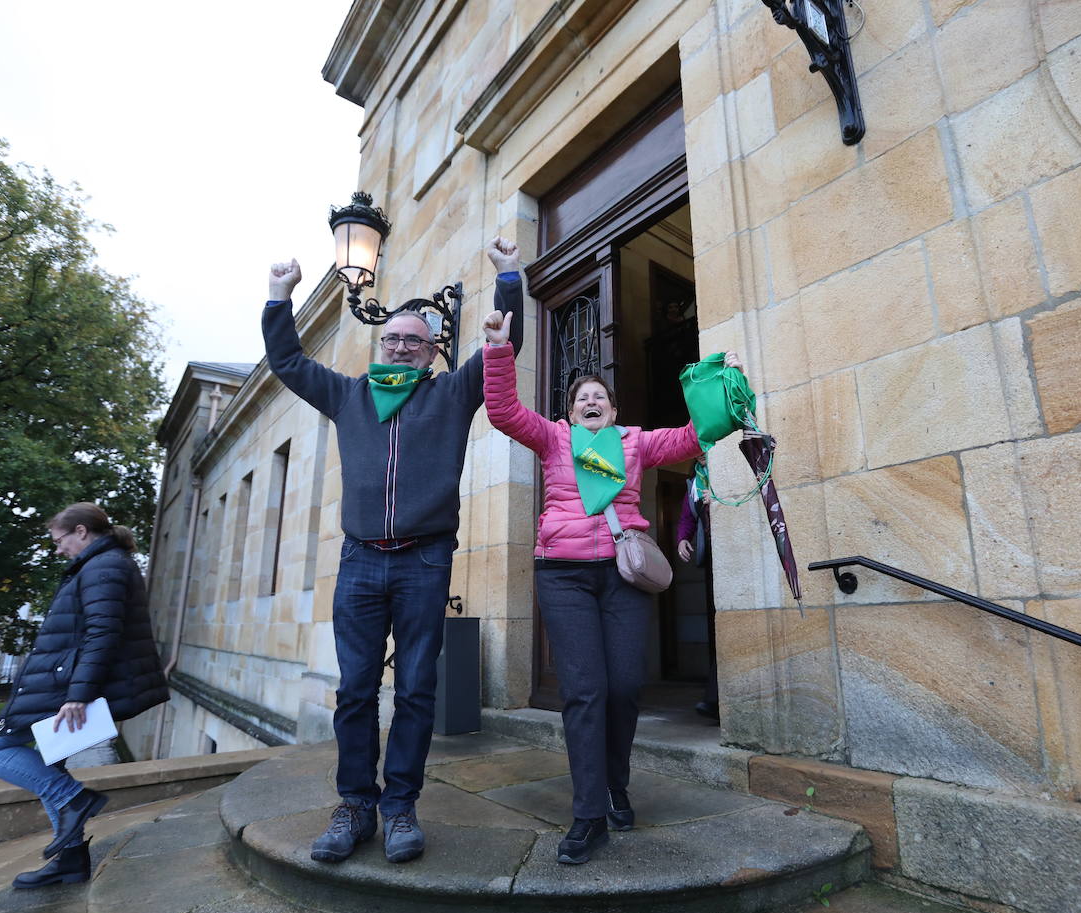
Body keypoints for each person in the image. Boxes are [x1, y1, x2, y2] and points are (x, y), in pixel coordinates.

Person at [264, 240, 523, 865]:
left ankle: (399, 806)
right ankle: (354, 804)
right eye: (392, 339)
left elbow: (503, 348)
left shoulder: (452, 394)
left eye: (414, 339)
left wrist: (507, 279)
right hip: (358, 562)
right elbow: (288, 362)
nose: (401, 346)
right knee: (354, 689)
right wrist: (280, 296)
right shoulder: (349, 395)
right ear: (380, 346)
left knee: (414, 689)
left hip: (424, 561)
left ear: (433, 349)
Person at [481, 306, 741, 864]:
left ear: (615, 409)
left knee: (624, 687)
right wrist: (500, 350)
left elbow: (697, 435)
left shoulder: (636, 443)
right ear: (570, 411)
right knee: (584, 691)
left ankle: (615, 785)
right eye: (582, 398)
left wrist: (726, 383)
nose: (591, 402)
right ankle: (587, 813)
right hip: (564, 576)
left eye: (600, 396)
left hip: (623, 576)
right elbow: (502, 411)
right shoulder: (553, 440)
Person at [0, 502, 168, 890]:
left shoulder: (104, 566)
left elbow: (102, 633)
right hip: (66, 685)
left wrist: (78, 695)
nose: (57, 549)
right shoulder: (101, 564)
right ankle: (70, 861)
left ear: (80, 531)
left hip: (68, 690)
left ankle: (75, 800)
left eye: (59, 541)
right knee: (50, 762)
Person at [676, 455, 720, 722]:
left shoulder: (731, 468)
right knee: (717, 629)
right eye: (698, 448)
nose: (703, 453)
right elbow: (686, 517)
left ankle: (715, 700)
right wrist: (682, 539)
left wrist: (719, 499)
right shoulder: (694, 482)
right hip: (714, 559)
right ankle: (714, 699)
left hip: (737, 552)